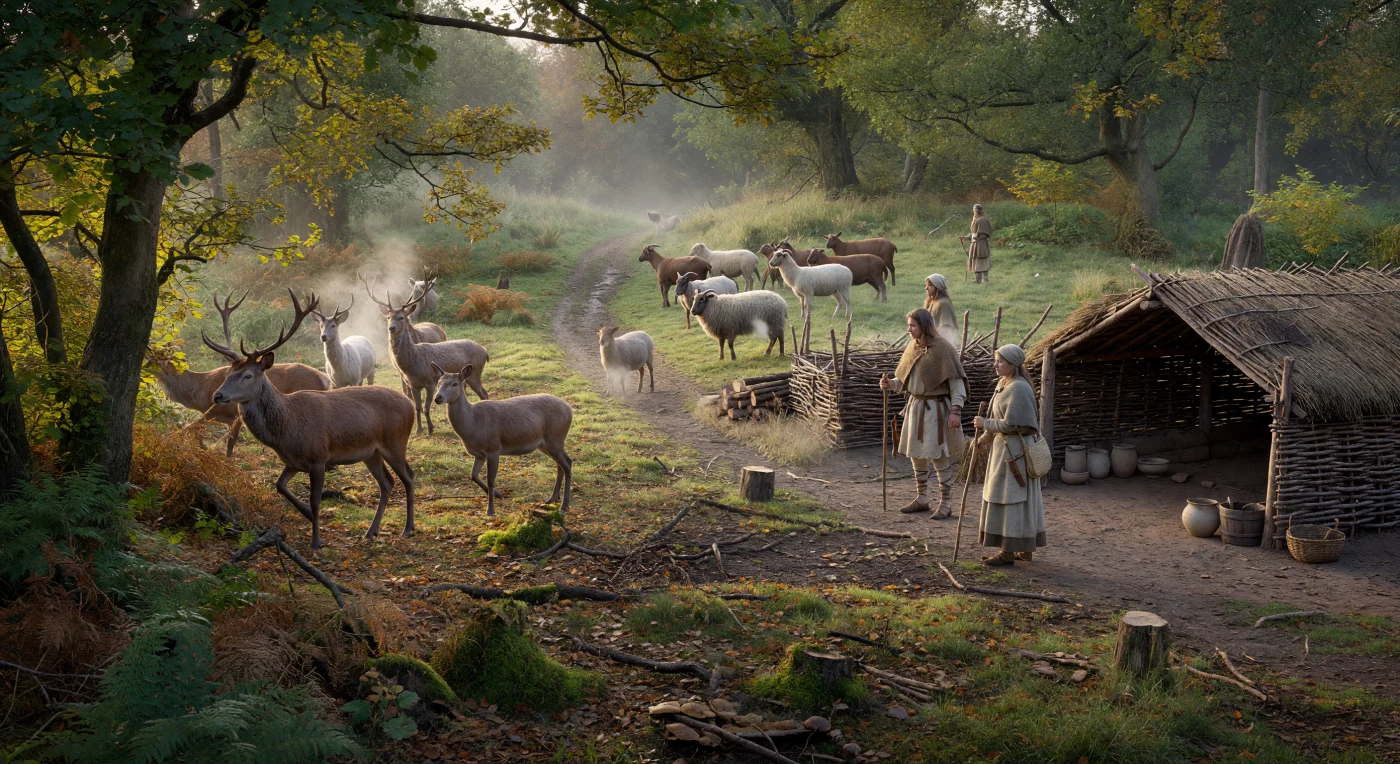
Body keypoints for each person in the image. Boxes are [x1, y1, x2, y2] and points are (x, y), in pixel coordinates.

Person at [878, 309, 968, 516]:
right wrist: (891, 384)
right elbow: (905, 380)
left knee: (938, 455)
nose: (909, 330)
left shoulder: (943, 349)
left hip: (936, 410)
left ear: (924, 326)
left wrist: (955, 410)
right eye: (908, 325)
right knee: (916, 454)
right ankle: (922, 498)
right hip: (915, 408)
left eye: (913, 326)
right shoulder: (913, 347)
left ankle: (946, 503)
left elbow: (957, 384)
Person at [972, 345, 1046, 566]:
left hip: (1016, 454)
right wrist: (984, 438)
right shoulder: (1003, 384)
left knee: (1012, 500)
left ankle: (1007, 552)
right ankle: (1023, 548)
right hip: (1003, 450)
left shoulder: (1019, 388)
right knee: (1010, 498)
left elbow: (1015, 424)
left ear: (1012, 364)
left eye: (1000, 361)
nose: (995, 364)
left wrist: (986, 424)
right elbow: (997, 417)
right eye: (996, 360)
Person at [923, 274, 959, 346]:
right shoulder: (932, 301)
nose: (926, 288)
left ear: (937, 287)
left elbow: (946, 328)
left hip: (941, 343)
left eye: (930, 285)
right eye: (926, 285)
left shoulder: (943, 303)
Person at [965, 204, 993, 284]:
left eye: (974, 210)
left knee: (982, 259)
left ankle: (985, 279)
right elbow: (974, 232)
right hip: (975, 243)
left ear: (977, 211)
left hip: (981, 243)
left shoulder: (982, 220)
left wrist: (976, 237)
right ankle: (978, 279)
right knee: (976, 259)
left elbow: (983, 233)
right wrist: (966, 237)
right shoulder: (976, 218)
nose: (973, 211)